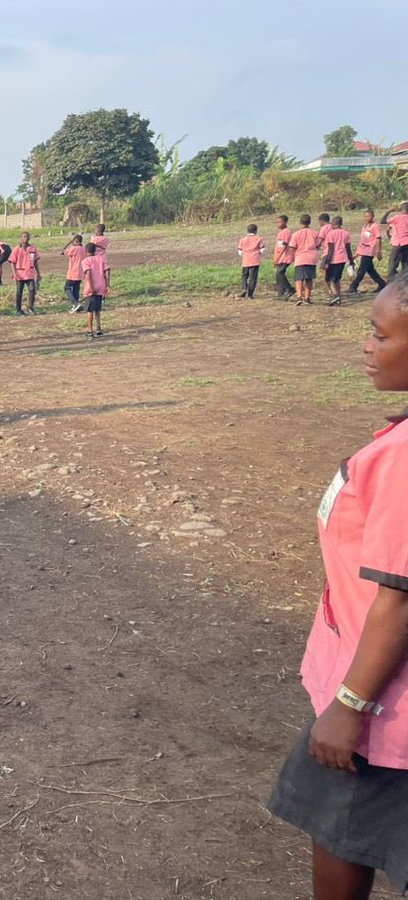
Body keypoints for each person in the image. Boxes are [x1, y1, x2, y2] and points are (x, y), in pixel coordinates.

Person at [268, 276, 408, 900]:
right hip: (375, 696)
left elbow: (399, 597)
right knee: (341, 827)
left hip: (383, 710)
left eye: (380, 335)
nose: (366, 346)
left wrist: (350, 706)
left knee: (341, 827)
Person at [350, 210, 387, 294]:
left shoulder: (374, 226)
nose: (367, 218)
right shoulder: (365, 227)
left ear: (373, 217)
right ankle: (382, 284)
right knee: (371, 270)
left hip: (369, 251)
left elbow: (378, 238)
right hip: (363, 251)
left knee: (361, 270)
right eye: (365, 216)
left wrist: (379, 251)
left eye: (369, 216)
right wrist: (357, 253)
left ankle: (353, 286)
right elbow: (362, 241)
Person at [289, 215, 323, 305]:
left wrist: (291, 258)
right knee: (309, 278)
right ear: (309, 222)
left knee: (299, 278)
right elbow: (318, 245)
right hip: (311, 258)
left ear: (300, 223)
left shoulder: (296, 234)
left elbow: (292, 247)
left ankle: (299, 296)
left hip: (300, 257)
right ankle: (307, 297)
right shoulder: (315, 233)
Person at [322, 216, 354, 306]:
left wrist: (327, 262)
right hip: (343, 259)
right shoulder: (346, 233)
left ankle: (335, 295)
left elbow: (331, 250)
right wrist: (351, 260)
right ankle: (337, 297)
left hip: (333, 259)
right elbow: (348, 248)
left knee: (329, 279)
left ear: (333, 224)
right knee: (337, 279)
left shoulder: (331, 234)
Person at [80, 242, 110, 338]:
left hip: (91, 287)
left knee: (90, 310)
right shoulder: (101, 259)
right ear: (95, 250)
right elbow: (107, 271)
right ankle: (98, 328)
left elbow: (88, 273)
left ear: (86, 251)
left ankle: (90, 330)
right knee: (97, 309)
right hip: (101, 285)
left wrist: (91, 287)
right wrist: (108, 285)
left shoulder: (85, 261)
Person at [8, 232, 40, 314]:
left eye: (27, 236)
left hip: (30, 273)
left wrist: (38, 273)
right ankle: (18, 309)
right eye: (24, 236)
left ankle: (30, 307)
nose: (26, 238)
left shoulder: (32, 248)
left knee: (32, 289)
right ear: (21, 238)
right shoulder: (17, 249)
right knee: (19, 292)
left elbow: (35, 261)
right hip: (20, 274)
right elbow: (12, 262)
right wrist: (14, 273)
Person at [237, 224, 265, 299]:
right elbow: (262, 249)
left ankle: (244, 288)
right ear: (256, 230)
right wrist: (258, 253)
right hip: (255, 260)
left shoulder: (243, 240)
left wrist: (244, 255)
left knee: (244, 276)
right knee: (253, 277)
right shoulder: (259, 238)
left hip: (246, 260)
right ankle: (250, 294)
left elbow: (239, 251)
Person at [62, 234, 87, 313]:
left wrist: (69, 243)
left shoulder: (73, 248)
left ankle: (75, 303)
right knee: (76, 288)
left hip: (73, 272)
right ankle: (76, 305)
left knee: (67, 288)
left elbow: (63, 252)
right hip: (80, 272)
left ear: (75, 241)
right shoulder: (83, 249)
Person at [274, 215, 296, 299]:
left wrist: (277, 258)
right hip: (281, 256)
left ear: (285, 222)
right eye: (277, 222)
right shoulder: (281, 232)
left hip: (284, 257)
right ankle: (281, 293)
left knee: (279, 273)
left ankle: (289, 289)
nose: (277, 224)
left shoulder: (286, 232)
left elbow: (283, 246)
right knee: (278, 274)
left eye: (279, 222)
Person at [386, 202, 408, 280]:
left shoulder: (397, 218)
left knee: (392, 261)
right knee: (405, 262)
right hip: (406, 243)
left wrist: (388, 211)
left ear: (401, 209)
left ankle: (391, 279)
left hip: (397, 243)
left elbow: (383, 222)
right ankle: (404, 280)